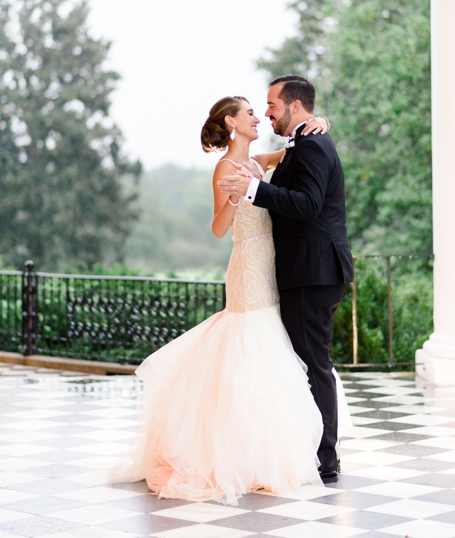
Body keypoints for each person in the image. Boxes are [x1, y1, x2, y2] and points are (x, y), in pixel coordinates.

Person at [109, 95, 349, 504]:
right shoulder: (225, 167)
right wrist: (236, 199)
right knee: (248, 344)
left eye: (263, 109)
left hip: (271, 265)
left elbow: (290, 147)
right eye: (251, 113)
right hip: (247, 266)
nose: (259, 117)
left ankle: (270, 446)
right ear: (232, 123)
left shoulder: (257, 162)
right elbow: (219, 228)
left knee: (273, 350)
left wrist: (320, 120)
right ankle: (244, 452)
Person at [217, 75, 354, 483]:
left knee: (313, 365)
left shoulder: (311, 144)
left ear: (295, 107)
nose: (267, 113)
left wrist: (254, 189)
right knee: (301, 363)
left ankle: (325, 458)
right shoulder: (301, 143)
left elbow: (309, 206)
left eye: (272, 105)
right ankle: (303, 447)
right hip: (300, 272)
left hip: (314, 271)